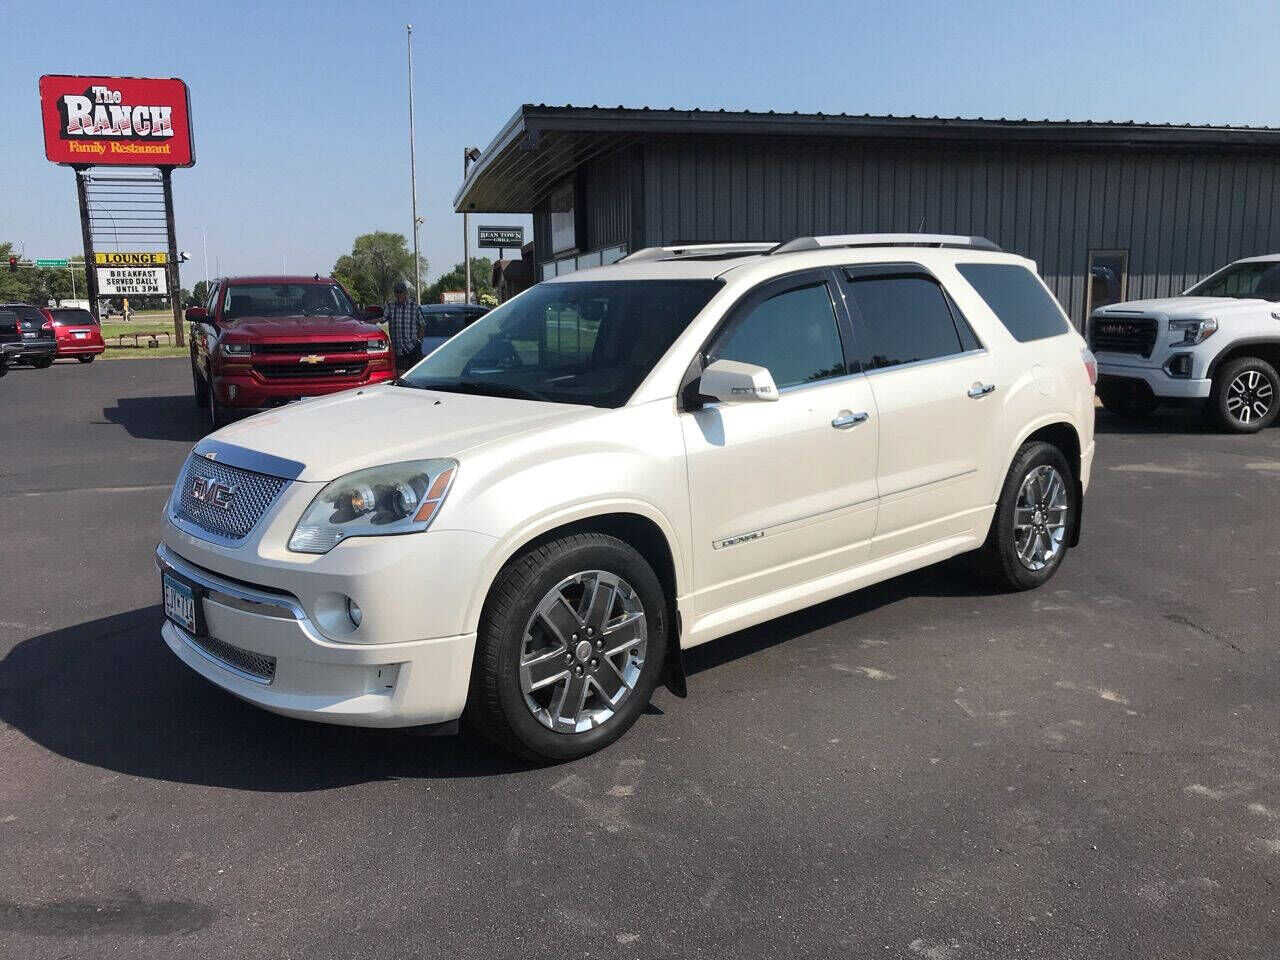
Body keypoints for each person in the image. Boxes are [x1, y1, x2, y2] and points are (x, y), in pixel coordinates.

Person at [385, 280, 420, 374]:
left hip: (412, 346)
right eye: (396, 292)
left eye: (400, 292)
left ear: (405, 293)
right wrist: (365, 320)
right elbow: (382, 318)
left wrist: (419, 341)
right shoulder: (390, 306)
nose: (398, 294)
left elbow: (423, 324)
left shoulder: (414, 306)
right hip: (398, 347)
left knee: (414, 374)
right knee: (400, 375)